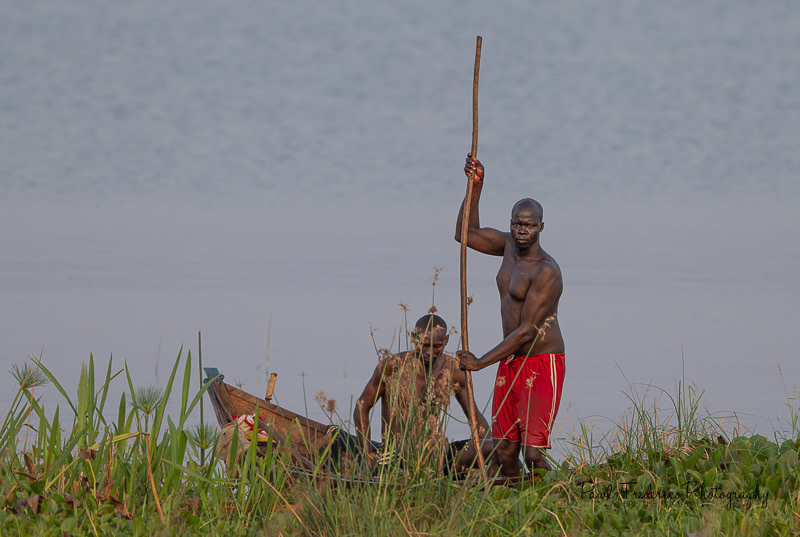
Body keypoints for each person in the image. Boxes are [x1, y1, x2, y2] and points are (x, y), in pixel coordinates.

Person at [455, 154, 566, 477]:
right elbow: (465, 233)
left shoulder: (547, 271)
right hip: (511, 361)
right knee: (504, 451)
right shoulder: (506, 247)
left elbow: (528, 331)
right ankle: (518, 507)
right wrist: (476, 185)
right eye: (517, 223)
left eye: (529, 225)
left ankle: (556, 493)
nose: (521, 231)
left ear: (541, 227)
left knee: (532, 453)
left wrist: (479, 362)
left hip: (540, 361)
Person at [354, 313, 491, 475]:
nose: (429, 352)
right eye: (424, 345)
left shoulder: (453, 370)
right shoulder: (393, 367)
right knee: (412, 445)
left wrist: (486, 445)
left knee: (496, 446)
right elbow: (361, 408)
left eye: (437, 346)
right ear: (413, 338)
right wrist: (368, 456)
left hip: (435, 453)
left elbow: (474, 417)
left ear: (446, 341)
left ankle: (455, 476)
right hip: (396, 453)